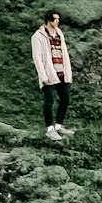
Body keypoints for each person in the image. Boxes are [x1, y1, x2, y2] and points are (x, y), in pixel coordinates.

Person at [31, 10, 74, 140]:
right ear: (48, 20)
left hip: (61, 71)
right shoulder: (38, 36)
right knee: (49, 101)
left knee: (65, 99)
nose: (57, 21)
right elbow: (37, 57)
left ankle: (59, 126)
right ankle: (49, 129)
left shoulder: (59, 33)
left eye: (58, 19)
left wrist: (68, 71)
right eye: (55, 19)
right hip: (48, 72)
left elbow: (64, 53)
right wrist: (42, 75)